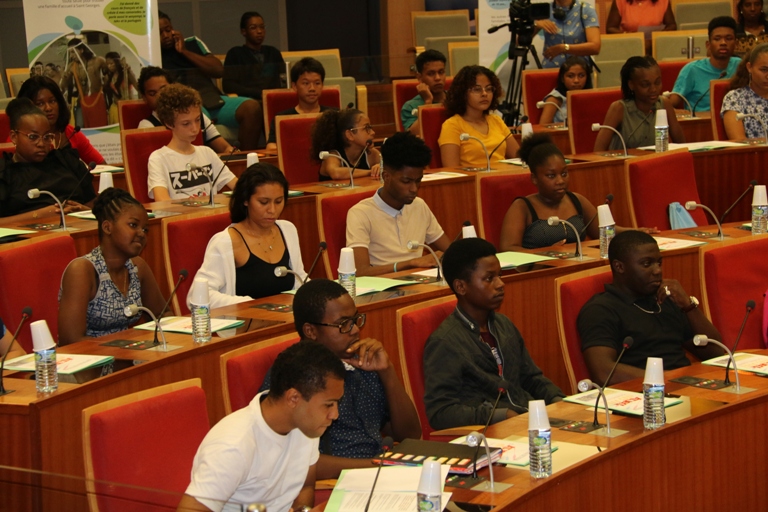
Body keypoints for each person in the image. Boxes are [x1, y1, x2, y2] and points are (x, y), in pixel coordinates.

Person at [260, 279, 422, 480]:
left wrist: (387, 371)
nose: (355, 330)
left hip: (379, 475)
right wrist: (379, 467)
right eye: (343, 324)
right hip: (336, 483)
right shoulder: (292, 377)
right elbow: (293, 461)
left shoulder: (363, 364)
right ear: (311, 331)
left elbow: (409, 435)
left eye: (355, 320)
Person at [179, 341, 345, 512]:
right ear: (293, 398)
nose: (335, 414)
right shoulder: (233, 445)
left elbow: (305, 486)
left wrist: (302, 509)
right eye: (329, 405)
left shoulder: (306, 426)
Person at [423, 238, 565, 430]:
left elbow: (531, 378)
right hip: (492, 433)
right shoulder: (445, 342)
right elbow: (440, 413)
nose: (500, 284)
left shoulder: (504, 325)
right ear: (461, 287)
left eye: (499, 275)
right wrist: (499, 416)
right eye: (489, 278)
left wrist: (559, 401)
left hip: (528, 421)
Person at [577, 231, 724, 385]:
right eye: (646, 264)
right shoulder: (600, 309)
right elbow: (604, 372)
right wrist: (668, 380)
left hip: (685, 385)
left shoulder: (665, 298)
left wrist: (688, 305)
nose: (657, 270)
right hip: (646, 392)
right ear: (619, 267)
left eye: (659, 263)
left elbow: (715, 352)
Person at [499, 133, 656, 251]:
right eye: (551, 176)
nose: (560, 181)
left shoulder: (576, 200)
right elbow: (507, 249)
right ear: (534, 178)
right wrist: (545, 254)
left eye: (564, 173)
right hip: (539, 276)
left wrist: (636, 232)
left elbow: (604, 231)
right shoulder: (522, 207)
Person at [58, 188, 166, 346]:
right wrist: (123, 348)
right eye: (133, 225)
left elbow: (162, 314)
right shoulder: (82, 270)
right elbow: (71, 340)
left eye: (145, 229)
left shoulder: (138, 267)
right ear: (107, 227)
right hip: (91, 357)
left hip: (128, 352)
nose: (141, 234)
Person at [191, 163, 306, 309]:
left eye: (278, 201)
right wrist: (248, 304)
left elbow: (299, 279)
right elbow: (198, 295)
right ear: (245, 200)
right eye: (263, 202)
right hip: (246, 321)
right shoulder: (226, 242)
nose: (272, 210)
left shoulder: (287, 230)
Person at [346, 132, 450, 276]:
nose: (414, 189)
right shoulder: (360, 213)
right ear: (386, 176)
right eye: (406, 181)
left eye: (418, 181)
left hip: (421, 282)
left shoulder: (419, 205)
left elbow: (450, 251)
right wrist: (411, 263)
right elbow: (360, 272)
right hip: (382, 285)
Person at [159, 11, 262, 150]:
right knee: (198, 117)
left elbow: (218, 70)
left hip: (213, 99)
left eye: (168, 30)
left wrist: (184, 51)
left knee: (251, 107)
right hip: (187, 106)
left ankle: (245, 157)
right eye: (160, 33)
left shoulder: (192, 43)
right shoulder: (154, 54)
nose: (166, 35)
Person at [0, 98, 96, 218]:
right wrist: (42, 214)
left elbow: (94, 205)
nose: (41, 144)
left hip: (80, 226)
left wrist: (84, 210)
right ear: (14, 137)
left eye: (47, 137)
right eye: (33, 137)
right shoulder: (4, 174)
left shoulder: (66, 162)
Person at [147, 84, 238, 201]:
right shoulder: (158, 158)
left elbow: (238, 187)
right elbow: (162, 202)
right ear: (169, 123)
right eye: (186, 124)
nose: (195, 128)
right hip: (180, 213)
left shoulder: (207, 153)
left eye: (197, 120)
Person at [594, 56, 685, 152]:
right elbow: (598, 151)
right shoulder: (619, 108)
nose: (653, 89)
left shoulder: (664, 104)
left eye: (657, 82)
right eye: (645, 85)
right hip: (626, 161)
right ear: (631, 85)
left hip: (656, 160)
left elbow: (682, 146)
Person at [438, 65, 520, 169]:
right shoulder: (452, 125)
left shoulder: (496, 120)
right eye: (477, 89)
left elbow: (519, 158)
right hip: (473, 178)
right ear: (462, 93)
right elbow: (452, 171)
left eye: (489, 89)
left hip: (502, 176)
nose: (484, 94)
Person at [137, 66, 233, 154]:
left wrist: (231, 152)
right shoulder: (146, 126)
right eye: (152, 93)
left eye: (163, 90)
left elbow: (225, 148)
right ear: (144, 98)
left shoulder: (197, 116)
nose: (159, 96)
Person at [16, 75, 106, 164]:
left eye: (52, 101)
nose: (48, 108)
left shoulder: (71, 133)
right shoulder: (19, 136)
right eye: (40, 103)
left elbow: (102, 165)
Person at [669, 17, 740, 114]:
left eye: (728, 38)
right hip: (702, 121)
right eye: (717, 39)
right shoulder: (692, 69)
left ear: (736, 44)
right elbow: (670, 104)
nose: (723, 43)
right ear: (708, 45)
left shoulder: (740, 67)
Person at [265, 57, 335, 152]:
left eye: (317, 83)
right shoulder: (283, 119)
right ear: (294, 86)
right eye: (306, 83)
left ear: (322, 85)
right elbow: (271, 147)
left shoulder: (334, 115)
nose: (312, 88)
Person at [223, 12, 285, 100]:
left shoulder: (273, 52)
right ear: (244, 31)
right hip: (248, 99)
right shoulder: (235, 53)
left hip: (274, 99)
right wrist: (257, 93)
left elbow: (284, 79)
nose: (259, 31)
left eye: (262, 27)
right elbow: (228, 85)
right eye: (253, 28)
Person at [310, 108, 381, 181]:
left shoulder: (371, 153)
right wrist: (370, 172)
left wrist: (380, 167)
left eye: (370, 127)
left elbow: (387, 165)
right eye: (366, 128)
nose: (373, 132)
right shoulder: (332, 155)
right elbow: (336, 173)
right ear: (350, 135)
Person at [535, 0, 601, 69]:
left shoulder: (585, 9)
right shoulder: (545, 9)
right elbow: (527, 41)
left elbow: (595, 47)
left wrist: (564, 48)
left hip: (578, 70)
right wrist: (536, 25)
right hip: (551, 68)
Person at [722, 43, 768, 140]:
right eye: (764, 70)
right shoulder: (735, 98)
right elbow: (739, 141)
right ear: (749, 67)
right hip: (753, 150)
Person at [60, 38, 109, 128]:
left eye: (73, 52)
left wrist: (106, 81)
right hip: (82, 101)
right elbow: (63, 86)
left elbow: (110, 73)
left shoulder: (98, 61)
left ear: (81, 50)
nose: (71, 56)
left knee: (100, 127)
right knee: (85, 129)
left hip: (97, 99)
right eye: (70, 53)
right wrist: (64, 77)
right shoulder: (72, 66)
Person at [401, 49, 447, 135]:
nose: (438, 78)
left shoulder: (456, 98)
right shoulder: (410, 106)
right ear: (419, 77)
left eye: (441, 72)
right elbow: (413, 135)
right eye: (431, 74)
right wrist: (428, 102)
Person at [539, 56, 593, 125]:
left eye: (581, 76)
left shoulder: (590, 96)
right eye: (570, 76)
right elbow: (543, 126)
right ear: (562, 78)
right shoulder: (554, 99)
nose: (576, 80)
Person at [103, 52, 138, 125]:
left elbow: (138, 87)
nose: (109, 66)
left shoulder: (126, 73)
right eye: (107, 64)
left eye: (111, 63)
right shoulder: (110, 76)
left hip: (127, 107)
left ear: (117, 62)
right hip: (115, 107)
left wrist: (129, 71)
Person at [606, 0, 676, 36]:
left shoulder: (663, 1)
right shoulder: (620, 1)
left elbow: (672, 25)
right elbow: (610, 28)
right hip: (629, 44)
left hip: (656, 45)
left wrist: (659, 36)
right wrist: (626, 35)